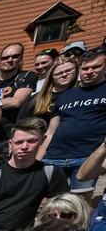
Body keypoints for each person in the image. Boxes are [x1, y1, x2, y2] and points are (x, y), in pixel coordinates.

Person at [40, 48, 106, 194]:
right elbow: (51, 131)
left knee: (81, 205)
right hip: (54, 157)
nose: (89, 71)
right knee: (51, 204)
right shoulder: (66, 95)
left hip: (88, 159)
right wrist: (39, 159)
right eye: (85, 68)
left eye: (96, 67)